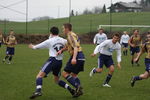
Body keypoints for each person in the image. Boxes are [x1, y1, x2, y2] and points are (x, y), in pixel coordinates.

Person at [29, 27, 76, 99]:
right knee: (57, 80)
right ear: (58, 33)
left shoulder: (49, 41)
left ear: (51, 33)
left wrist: (32, 46)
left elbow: (37, 47)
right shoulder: (63, 40)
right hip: (59, 62)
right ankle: (71, 90)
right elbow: (69, 46)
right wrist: (62, 50)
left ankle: (38, 91)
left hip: (52, 60)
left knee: (39, 76)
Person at [57, 23, 85, 97]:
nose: (62, 30)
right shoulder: (72, 35)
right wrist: (61, 50)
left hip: (77, 56)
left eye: (63, 28)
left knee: (64, 74)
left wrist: (74, 58)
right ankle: (79, 90)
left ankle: (77, 87)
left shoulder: (70, 35)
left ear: (67, 28)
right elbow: (69, 46)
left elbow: (75, 47)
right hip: (81, 57)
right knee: (74, 75)